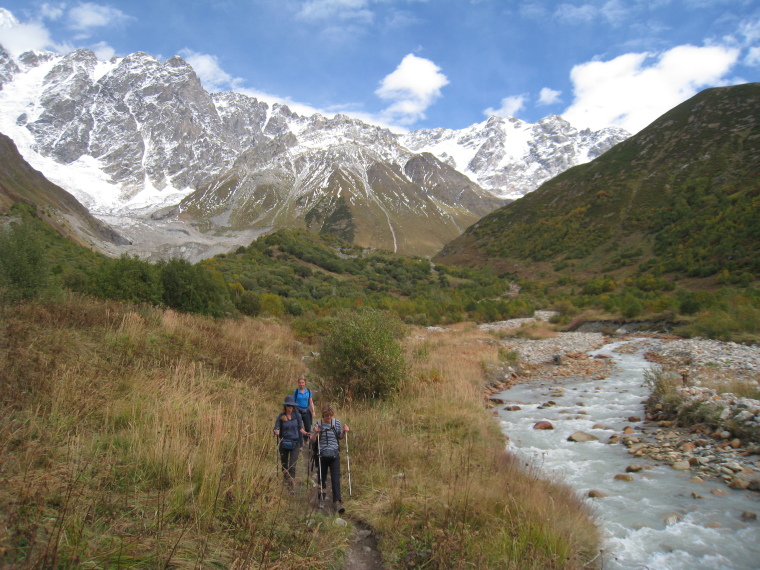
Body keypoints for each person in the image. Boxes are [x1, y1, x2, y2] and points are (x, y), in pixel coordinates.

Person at [311, 403, 349, 514]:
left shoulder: (336, 423)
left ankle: (337, 502)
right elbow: (312, 440)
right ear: (323, 415)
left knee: (335, 478)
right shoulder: (318, 424)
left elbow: (339, 436)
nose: (329, 417)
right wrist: (316, 432)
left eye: (330, 415)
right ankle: (321, 499)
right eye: (326, 415)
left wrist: (344, 432)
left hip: (334, 454)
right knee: (321, 478)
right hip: (322, 454)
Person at [274, 394, 309, 492]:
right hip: (284, 443)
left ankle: (291, 486)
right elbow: (277, 427)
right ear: (285, 406)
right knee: (284, 464)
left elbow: (300, 428)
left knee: (292, 465)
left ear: (293, 406)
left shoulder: (297, 415)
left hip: (295, 443)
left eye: (291, 406)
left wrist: (306, 433)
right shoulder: (281, 416)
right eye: (288, 406)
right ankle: (286, 480)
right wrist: (276, 431)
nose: (289, 408)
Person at [293, 375, 315, 446]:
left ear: (305, 383)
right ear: (298, 383)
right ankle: (300, 442)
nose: (301, 384)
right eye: (300, 383)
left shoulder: (308, 391)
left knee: (308, 426)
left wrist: (313, 411)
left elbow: (311, 401)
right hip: (298, 410)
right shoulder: (296, 392)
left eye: (302, 382)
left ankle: (306, 438)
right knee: (299, 426)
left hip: (306, 410)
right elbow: (293, 402)